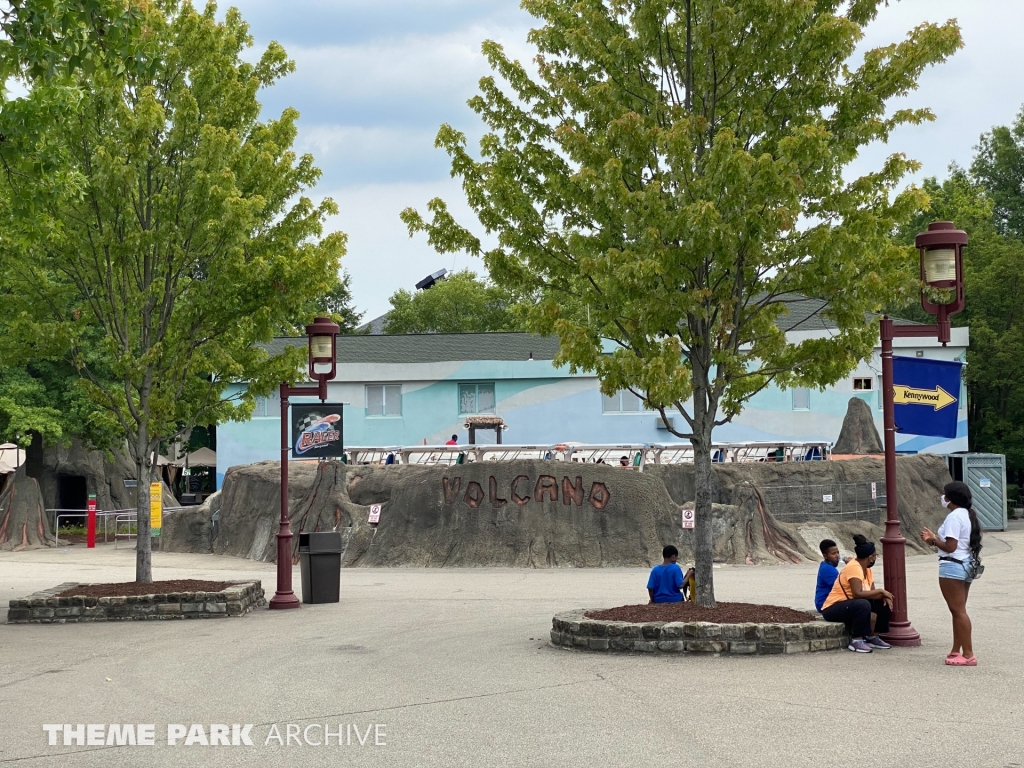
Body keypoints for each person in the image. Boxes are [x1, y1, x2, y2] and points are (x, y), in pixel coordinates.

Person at [921, 481, 983, 666]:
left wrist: (933, 540)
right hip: (965, 564)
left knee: (958, 611)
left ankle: (969, 654)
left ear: (950, 498)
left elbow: (950, 546)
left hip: (952, 566)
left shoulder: (954, 517)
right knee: (958, 611)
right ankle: (957, 650)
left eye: (944, 494)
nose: (942, 497)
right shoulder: (966, 514)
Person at [820, 535, 894, 653]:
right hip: (832, 608)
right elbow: (857, 594)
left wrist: (883, 596)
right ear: (870, 558)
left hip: (850, 604)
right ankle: (856, 640)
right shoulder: (854, 567)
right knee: (862, 604)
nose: (875, 558)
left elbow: (871, 593)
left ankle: (873, 637)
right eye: (875, 556)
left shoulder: (867, 570)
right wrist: (881, 591)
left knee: (882, 603)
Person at [814, 539, 851, 613]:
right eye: (833, 553)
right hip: (825, 603)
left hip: (828, 601)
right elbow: (842, 587)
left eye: (838, 552)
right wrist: (850, 567)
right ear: (825, 556)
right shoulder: (827, 569)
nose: (837, 556)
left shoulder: (828, 566)